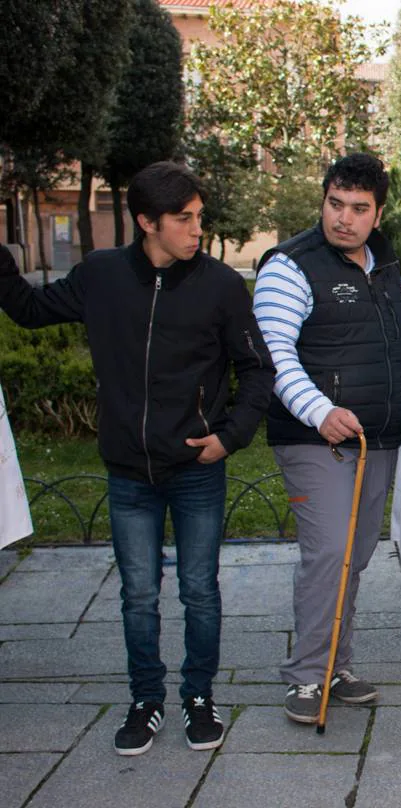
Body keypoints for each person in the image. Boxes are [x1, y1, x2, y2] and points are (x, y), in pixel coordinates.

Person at [0, 162, 274, 755]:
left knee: (199, 591)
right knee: (138, 594)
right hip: (128, 472)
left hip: (197, 468)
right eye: (184, 219)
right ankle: (145, 700)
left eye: (199, 217)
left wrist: (230, 437)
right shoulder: (100, 276)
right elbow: (29, 309)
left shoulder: (221, 286)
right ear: (147, 222)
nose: (196, 229)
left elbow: (257, 369)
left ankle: (199, 698)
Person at [254, 153, 401, 724]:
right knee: (329, 553)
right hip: (315, 438)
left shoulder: (384, 265)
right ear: (323, 199)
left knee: (354, 556)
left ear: (378, 214)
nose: (343, 219)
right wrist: (319, 410)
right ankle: (307, 678)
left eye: (358, 208)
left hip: (378, 439)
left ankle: (336, 666)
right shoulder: (290, 266)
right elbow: (273, 356)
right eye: (335, 204)